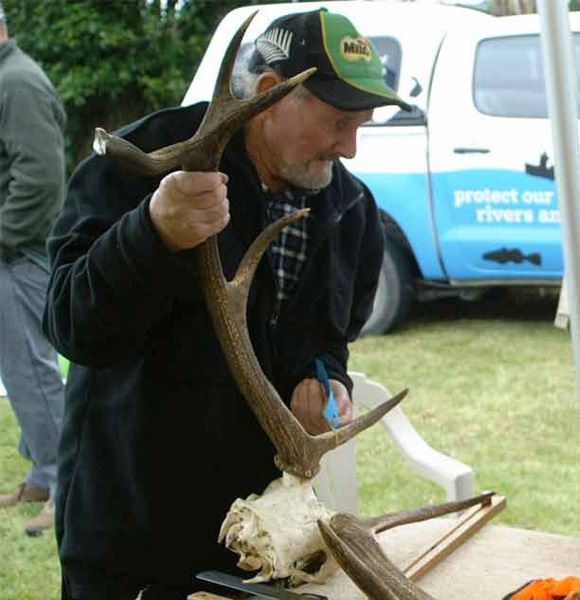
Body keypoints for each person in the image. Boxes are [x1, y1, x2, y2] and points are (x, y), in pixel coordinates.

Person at [43, 9, 409, 599]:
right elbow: (71, 323)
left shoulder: (349, 211)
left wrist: (324, 379)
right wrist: (151, 233)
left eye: (361, 126)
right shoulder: (140, 163)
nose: (350, 148)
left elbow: (326, 335)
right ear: (267, 96)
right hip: (133, 537)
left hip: (257, 543)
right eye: (339, 122)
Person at [0, 0, 68, 537]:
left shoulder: (17, 83)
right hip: (12, 248)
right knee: (18, 371)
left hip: (19, 252)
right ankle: (44, 475)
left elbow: (41, 178)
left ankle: (67, 487)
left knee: (33, 371)